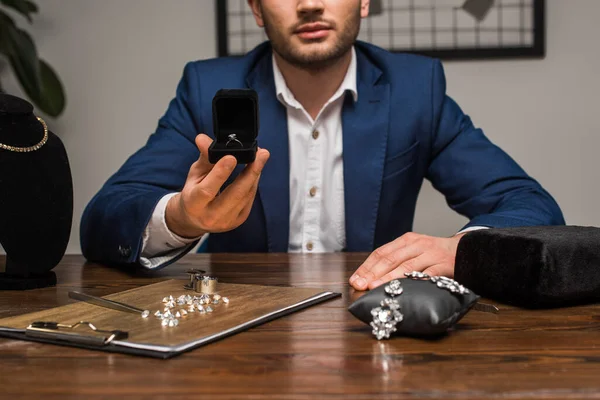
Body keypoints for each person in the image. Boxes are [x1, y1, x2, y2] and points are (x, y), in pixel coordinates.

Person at [80, 0, 564, 291]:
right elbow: (105, 217)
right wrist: (182, 218)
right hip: (240, 343)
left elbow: (530, 206)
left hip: (373, 336)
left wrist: (462, 250)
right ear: (254, 8)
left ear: (365, 0)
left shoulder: (417, 90)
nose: (310, 3)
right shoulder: (207, 87)